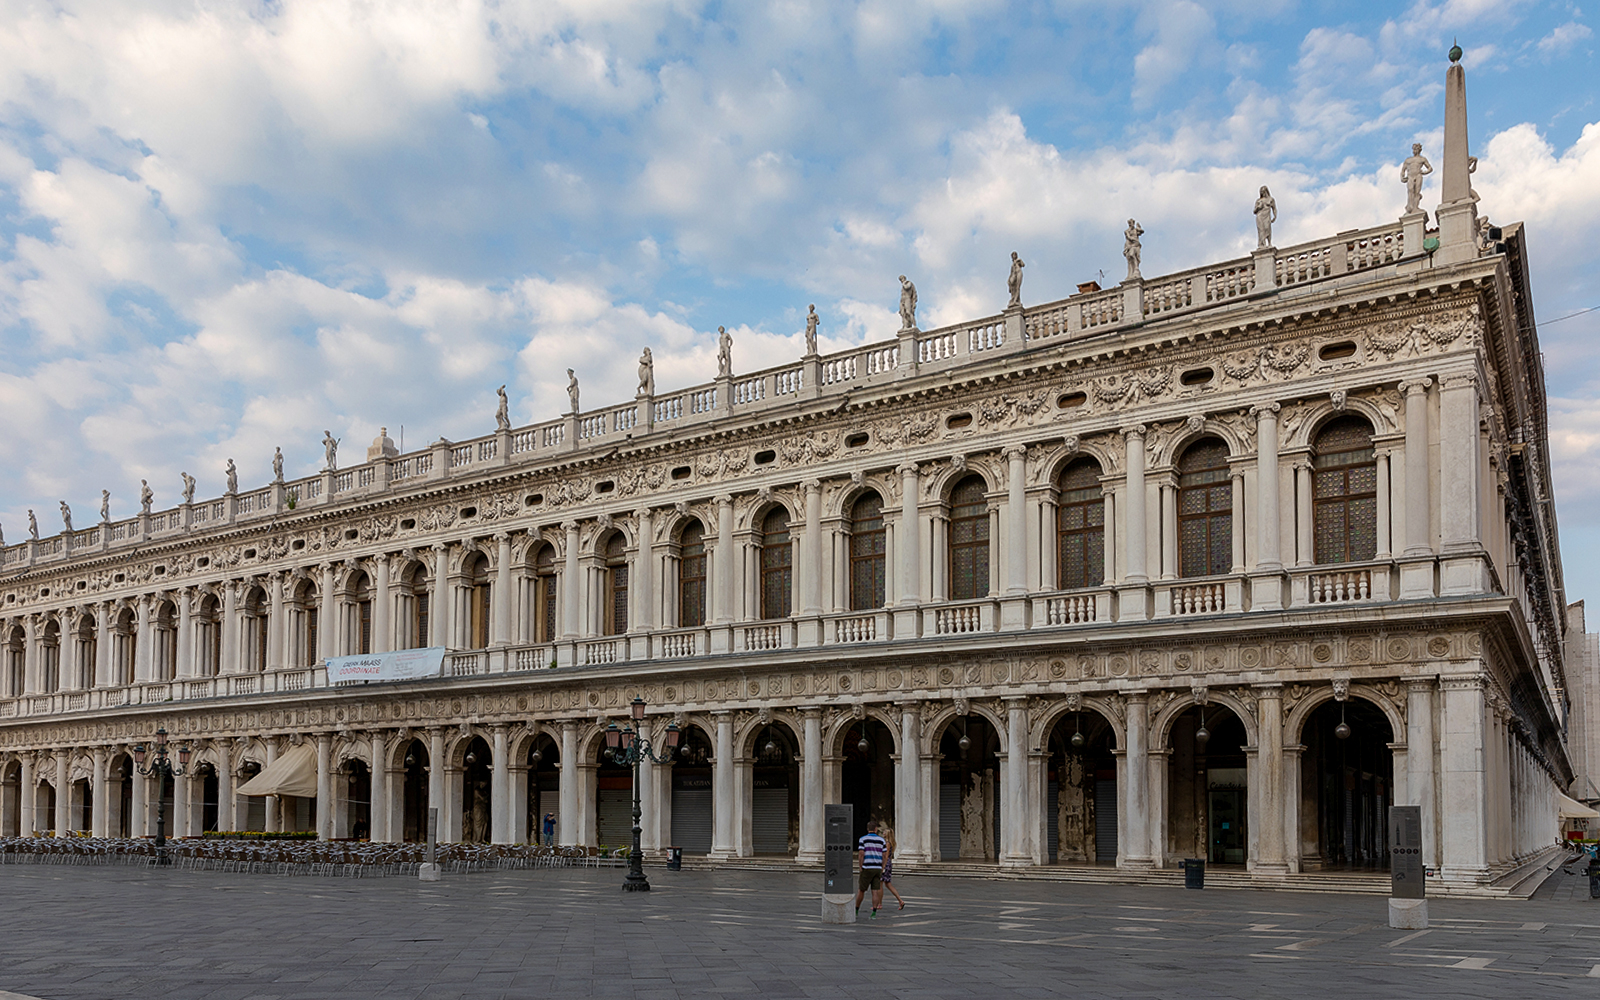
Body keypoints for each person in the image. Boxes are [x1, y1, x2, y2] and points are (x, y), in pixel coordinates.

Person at [855, 819, 887, 919]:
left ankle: (856, 910)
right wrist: (883, 867)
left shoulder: (862, 839)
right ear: (876, 829)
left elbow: (861, 853)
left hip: (867, 867)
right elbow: (885, 855)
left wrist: (860, 866)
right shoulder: (881, 840)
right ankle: (873, 913)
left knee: (861, 890)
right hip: (877, 867)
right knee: (875, 891)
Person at [881, 828, 907, 910]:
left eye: (884, 832)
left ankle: (879, 903)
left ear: (887, 834)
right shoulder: (890, 843)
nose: (883, 832)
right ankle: (900, 900)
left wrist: (883, 866)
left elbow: (886, 855)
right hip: (888, 863)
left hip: (886, 864)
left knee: (880, 884)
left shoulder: (887, 843)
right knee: (888, 884)